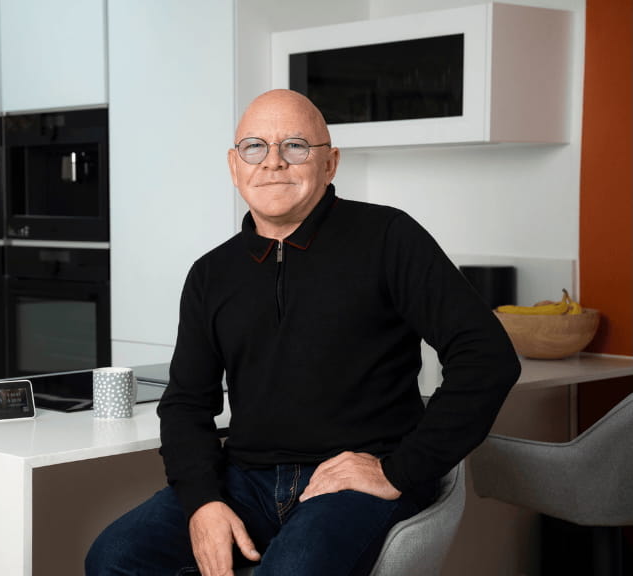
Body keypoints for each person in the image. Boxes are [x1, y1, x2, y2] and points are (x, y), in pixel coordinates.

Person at [85, 89, 520, 576]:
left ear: (330, 163)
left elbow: (488, 357)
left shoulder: (389, 238)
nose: (273, 163)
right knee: (114, 557)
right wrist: (202, 501)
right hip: (244, 480)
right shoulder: (211, 275)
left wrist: (400, 469)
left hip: (356, 478)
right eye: (255, 147)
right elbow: (186, 403)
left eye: (295, 146)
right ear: (235, 166)